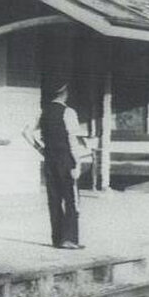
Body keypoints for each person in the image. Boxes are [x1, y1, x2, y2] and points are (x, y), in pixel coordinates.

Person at [23, 83, 89, 249]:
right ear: (64, 93)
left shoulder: (43, 112)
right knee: (71, 199)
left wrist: (40, 149)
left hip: (49, 160)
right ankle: (70, 239)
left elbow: (26, 132)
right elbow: (72, 140)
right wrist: (78, 163)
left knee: (54, 199)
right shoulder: (68, 112)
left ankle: (57, 239)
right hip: (66, 160)